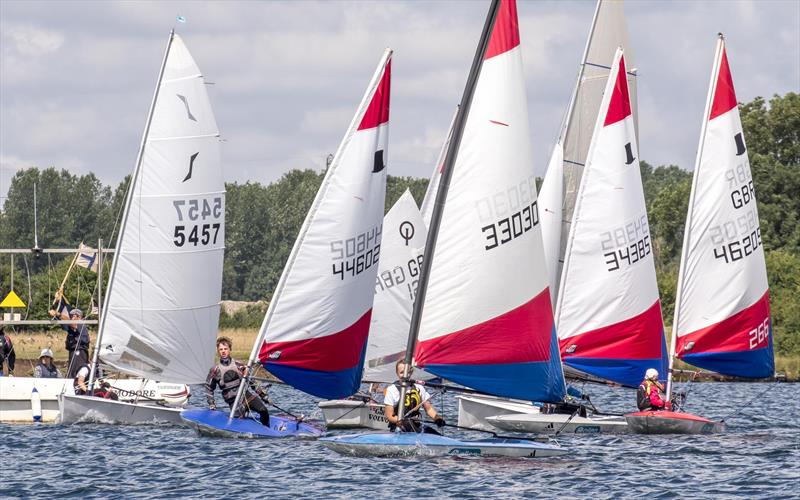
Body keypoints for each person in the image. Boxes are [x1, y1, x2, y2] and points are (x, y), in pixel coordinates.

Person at [205, 337, 270, 427]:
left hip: (246, 396)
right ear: (218, 351)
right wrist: (211, 404)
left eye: (225, 349)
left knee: (264, 411)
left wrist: (262, 395)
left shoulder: (238, 365)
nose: (223, 351)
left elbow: (251, 382)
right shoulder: (215, 370)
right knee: (240, 422)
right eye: (221, 349)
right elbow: (209, 388)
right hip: (233, 401)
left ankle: (267, 429)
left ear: (230, 349)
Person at [384, 360, 445, 433]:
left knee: (437, 435)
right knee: (408, 425)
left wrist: (437, 418)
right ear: (397, 373)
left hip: (415, 425)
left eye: (407, 372)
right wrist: (401, 421)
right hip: (398, 427)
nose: (405, 375)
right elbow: (390, 416)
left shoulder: (419, 388)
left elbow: (428, 409)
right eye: (401, 372)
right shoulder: (391, 390)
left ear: (411, 372)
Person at [49, 305, 91, 378]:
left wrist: (58, 314)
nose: (73, 318)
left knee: (79, 374)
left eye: (76, 316)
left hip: (80, 353)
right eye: (72, 316)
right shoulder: (72, 328)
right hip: (72, 353)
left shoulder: (81, 325)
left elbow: (72, 323)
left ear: (80, 318)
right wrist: (55, 315)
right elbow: (64, 323)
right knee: (71, 374)